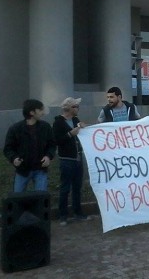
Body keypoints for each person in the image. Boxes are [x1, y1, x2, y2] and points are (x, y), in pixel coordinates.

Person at [53, 97, 91, 226]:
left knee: (77, 187)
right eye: (76, 106)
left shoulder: (75, 120)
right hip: (67, 159)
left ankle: (77, 212)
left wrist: (83, 128)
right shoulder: (58, 122)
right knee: (65, 188)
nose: (78, 109)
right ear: (69, 108)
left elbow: (80, 132)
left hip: (78, 158)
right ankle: (63, 215)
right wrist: (70, 134)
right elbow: (57, 140)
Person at [3, 99, 56, 192]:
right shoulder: (15, 129)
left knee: (41, 199)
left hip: (40, 169)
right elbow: (8, 148)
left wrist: (48, 156)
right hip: (22, 170)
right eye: (40, 110)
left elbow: (52, 145)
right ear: (32, 112)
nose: (43, 113)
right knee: (18, 199)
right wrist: (14, 158)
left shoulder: (46, 127)